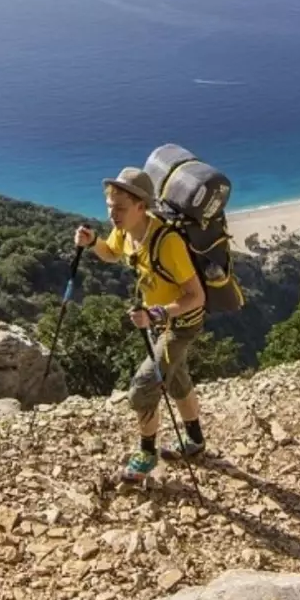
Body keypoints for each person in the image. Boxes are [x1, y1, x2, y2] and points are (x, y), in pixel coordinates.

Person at [74, 168, 208, 483]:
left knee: (144, 386)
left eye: (119, 208)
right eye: (109, 207)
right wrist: (93, 241)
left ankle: (147, 454)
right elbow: (111, 252)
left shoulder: (168, 242)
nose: (112, 214)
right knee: (175, 379)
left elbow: (197, 296)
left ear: (140, 207)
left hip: (180, 323)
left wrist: (157, 314)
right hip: (157, 321)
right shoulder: (125, 231)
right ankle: (196, 440)